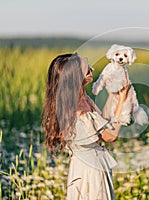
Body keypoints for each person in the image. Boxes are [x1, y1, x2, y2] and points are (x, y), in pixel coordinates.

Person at [42, 53, 129, 199]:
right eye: (87, 69)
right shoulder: (78, 109)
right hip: (90, 171)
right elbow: (109, 136)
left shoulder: (77, 99)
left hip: (84, 166)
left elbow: (103, 122)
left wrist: (114, 96)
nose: (92, 69)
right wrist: (123, 100)